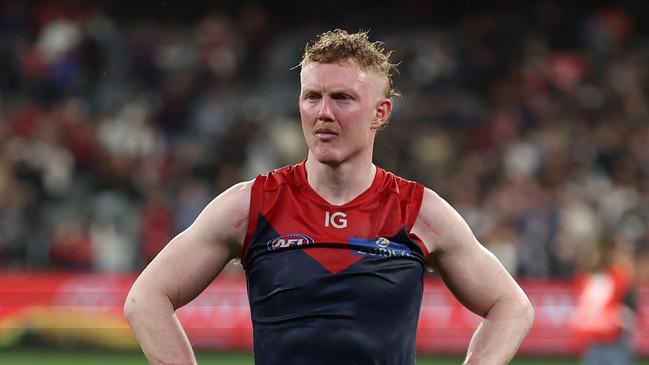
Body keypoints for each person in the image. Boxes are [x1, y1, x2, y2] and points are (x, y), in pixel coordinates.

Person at [124, 29, 534, 365]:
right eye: (311, 96)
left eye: (342, 98)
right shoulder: (252, 204)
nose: (323, 112)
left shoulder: (419, 211)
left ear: (381, 112)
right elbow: (146, 298)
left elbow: (511, 306)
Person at [572, 233, 637, 365]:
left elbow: (631, 311)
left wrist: (620, 317)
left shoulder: (619, 279)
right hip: (596, 341)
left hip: (615, 342)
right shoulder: (590, 279)